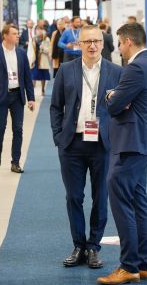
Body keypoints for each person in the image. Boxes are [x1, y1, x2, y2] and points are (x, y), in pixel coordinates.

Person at [51, 25, 122, 270]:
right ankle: (78, 245)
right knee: (74, 196)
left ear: (103, 44)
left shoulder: (116, 72)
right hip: (72, 143)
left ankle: (94, 246)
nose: (92, 45)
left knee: (100, 196)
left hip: (103, 144)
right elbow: (56, 106)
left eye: (96, 41)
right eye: (87, 41)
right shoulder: (66, 70)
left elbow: (124, 109)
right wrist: (59, 136)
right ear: (78, 45)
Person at [98, 22, 147, 285]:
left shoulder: (135, 68)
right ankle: (142, 264)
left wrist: (112, 95)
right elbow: (121, 100)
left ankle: (129, 266)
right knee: (138, 203)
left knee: (123, 203)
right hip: (139, 143)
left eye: (120, 43)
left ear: (128, 42)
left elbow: (113, 105)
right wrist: (118, 97)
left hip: (131, 145)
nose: (119, 48)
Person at [0, 23, 36, 173]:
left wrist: (31, 98)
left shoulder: (21, 53)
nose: (17, 36)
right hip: (1, 96)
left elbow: (27, 76)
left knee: (18, 129)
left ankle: (15, 162)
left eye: (17, 33)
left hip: (17, 95)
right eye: (14, 33)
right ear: (5, 36)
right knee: (0, 128)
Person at [29, 29, 52, 95]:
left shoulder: (47, 39)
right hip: (35, 59)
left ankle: (42, 89)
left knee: (43, 76)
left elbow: (48, 49)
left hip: (43, 59)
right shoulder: (33, 39)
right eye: (38, 32)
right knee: (33, 75)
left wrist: (42, 49)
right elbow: (30, 50)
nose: (39, 33)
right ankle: (31, 90)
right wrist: (30, 59)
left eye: (41, 32)